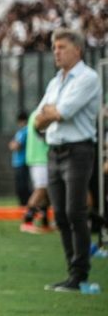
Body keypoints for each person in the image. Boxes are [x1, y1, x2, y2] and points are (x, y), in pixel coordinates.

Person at [35, 28, 101, 292]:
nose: (56, 52)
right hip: (55, 151)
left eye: (61, 47)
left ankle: (80, 273)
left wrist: (51, 113)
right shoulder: (55, 81)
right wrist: (50, 114)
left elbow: (61, 113)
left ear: (78, 50)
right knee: (60, 213)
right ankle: (71, 271)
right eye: (54, 48)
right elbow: (38, 120)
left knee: (75, 211)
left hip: (78, 150)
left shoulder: (88, 77)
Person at [21, 111, 52, 234]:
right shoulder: (43, 114)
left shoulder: (35, 113)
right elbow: (44, 136)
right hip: (41, 158)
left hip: (37, 158)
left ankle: (45, 222)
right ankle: (27, 221)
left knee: (44, 192)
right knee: (41, 189)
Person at [8, 111, 32, 206]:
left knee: (23, 187)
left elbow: (16, 146)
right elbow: (12, 145)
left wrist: (13, 145)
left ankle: (26, 205)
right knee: (19, 187)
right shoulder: (20, 132)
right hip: (17, 163)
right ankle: (22, 205)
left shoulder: (26, 131)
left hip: (23, 162)